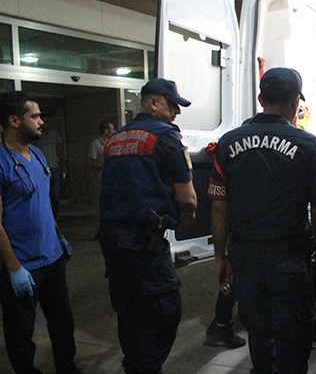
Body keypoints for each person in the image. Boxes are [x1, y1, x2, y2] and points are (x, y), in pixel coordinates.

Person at [208, 67, 316, 373]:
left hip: (245, 257)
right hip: (289, 258)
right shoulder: (307, 145)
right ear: (296, 102)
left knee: (259, 335)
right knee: (293, 340)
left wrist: (221, 257)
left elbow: (219, 208)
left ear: (261, 99)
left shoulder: (227, 143)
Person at [98, 78, 197, 374]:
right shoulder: (166, 137)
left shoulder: (115, 138)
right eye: (172, 105)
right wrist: (190, 215)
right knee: (164, 311)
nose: (177, 113)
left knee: (129, 311)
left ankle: (135, 364)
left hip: (112, 241)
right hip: (144, 243)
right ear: (153, 103)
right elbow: (188, 198)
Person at [0, 91, 84, 374]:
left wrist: (58, 236)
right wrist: (14, 268)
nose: (41, 122)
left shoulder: (36, 154)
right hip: (22, 264)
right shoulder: (1, 162)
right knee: (20, 332)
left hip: (52, 258)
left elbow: (43, 202)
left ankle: (66, 367)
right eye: (34, 116)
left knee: (62, 323)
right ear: (14, 121)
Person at [32, 112, 65, 218]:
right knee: (43, 193)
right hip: (41, 169)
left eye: (47, 122)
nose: (44, 124)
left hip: (53, 167)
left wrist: (63, 166)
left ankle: (55, 216)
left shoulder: (55, 134)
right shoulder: (37, 135)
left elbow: (60, 151)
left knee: (54, 194)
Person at [87, 121, 115, 203]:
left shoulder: (111, 143)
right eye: (112, 129)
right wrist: (105, 166)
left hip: (111, 179)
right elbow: (91, 162)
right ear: (106, 131)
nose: (114, 131)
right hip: (100, 180)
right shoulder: (95, 144)